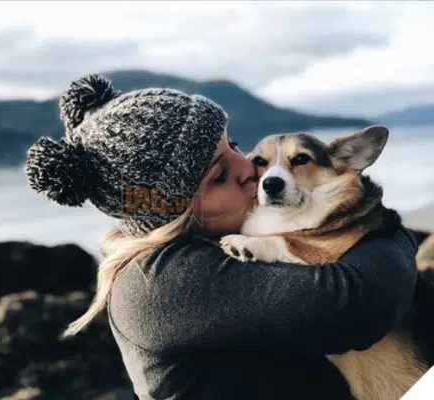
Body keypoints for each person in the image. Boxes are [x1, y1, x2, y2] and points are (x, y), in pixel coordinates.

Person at [25, 74, 419, 399]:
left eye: (232, 145)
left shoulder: (208, 247)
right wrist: (378, 223)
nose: (250, 169)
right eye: (218, 175)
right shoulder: (160, 281)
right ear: (173, 209)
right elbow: (358, 304)